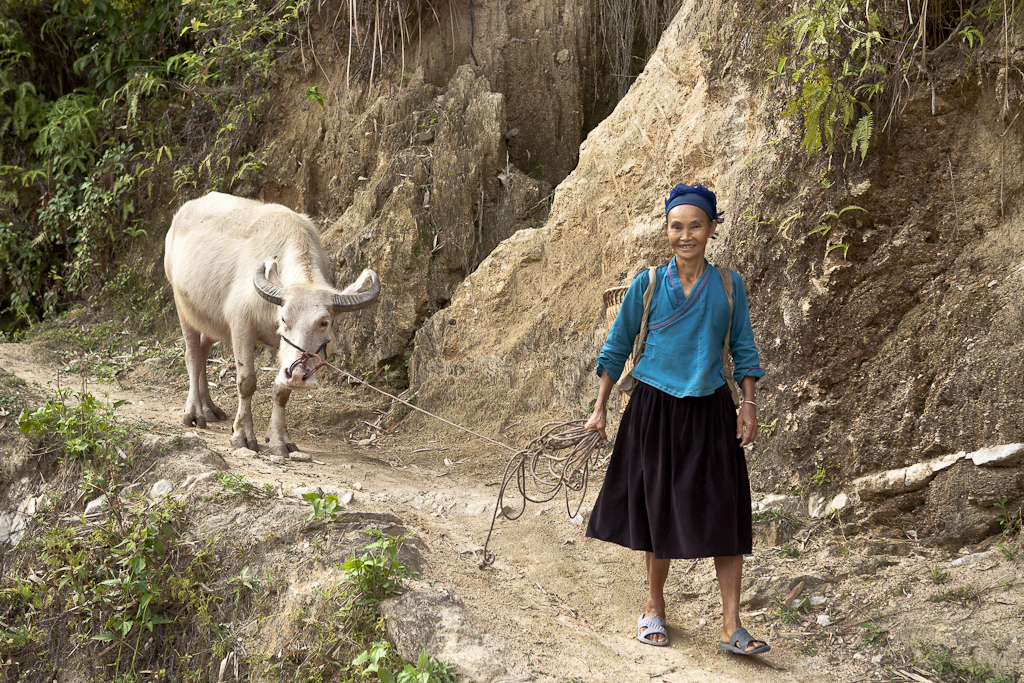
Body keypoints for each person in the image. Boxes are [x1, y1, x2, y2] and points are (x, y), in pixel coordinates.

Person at [583, 183, 768, 655]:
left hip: (709, 409)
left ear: (710, 229)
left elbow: (744, 349)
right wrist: (600, 407)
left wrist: (748, 403)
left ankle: (731, 625)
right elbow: (617, 346)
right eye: (676, 227)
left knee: (726, 511)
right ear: (667, 230)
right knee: (658, 509)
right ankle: (654, 606)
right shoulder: (646, 285)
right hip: (654, 408)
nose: (686, 236)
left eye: (695, 226)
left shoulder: (729, 285)